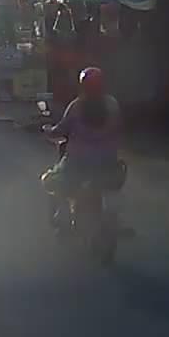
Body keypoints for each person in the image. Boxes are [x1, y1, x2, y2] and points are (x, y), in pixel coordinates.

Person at [41, 67, 123, 224]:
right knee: (111, 188)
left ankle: (62, 213)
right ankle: (112, 219)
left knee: (53, 179)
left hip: (78, 161)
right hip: (107, 161)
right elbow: (118, 127)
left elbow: (60, 129)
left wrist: (48, 130)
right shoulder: (112, 104)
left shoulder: (76, 106)